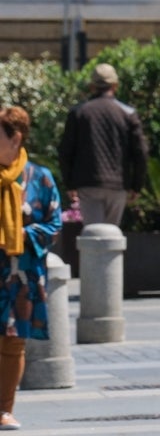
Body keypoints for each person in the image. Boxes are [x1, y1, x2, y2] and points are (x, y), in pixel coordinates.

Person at [0, 106, 62, 431]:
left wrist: (20, 235)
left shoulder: (40, 178)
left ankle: (4, 410)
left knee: (13, 341)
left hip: (22, 274)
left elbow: (53, 223)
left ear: (15, 138)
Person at [57, 63, 149, 227]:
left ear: (92, 86)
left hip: (88, 184)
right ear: (115, 86)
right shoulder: (128, 113)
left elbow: (66, 150)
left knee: (94, 235)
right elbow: (140, 152)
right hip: (118, 185)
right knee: (111, 236)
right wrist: (137, 185)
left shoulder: (79, 113)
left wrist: (69, 183)